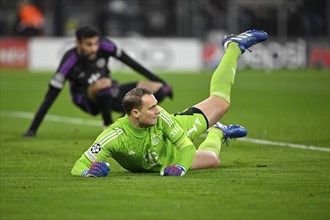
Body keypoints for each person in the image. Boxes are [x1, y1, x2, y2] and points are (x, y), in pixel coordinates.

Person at [71, 29, 269, 177]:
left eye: (156, 105)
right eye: (152, 108)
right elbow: (78, 166)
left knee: (221, 103)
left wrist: (181, 168)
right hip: (164, 160)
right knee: (213, 160)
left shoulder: (163, 118)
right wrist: (88, 173)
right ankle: (218, 132)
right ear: (135, 114)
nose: (158, 110)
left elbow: (186, 146)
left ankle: (233, 47)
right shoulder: (114, 136)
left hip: (178, 131)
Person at [23, 25, 173, 137]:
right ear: (78, 44)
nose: (94, 48)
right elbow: (51, 95)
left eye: (95, 43)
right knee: (104, 84)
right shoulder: (69, 61)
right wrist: (32, 129)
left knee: (156, 89)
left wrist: (163, 82)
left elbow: (133, 64)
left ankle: (121, 125)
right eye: (89, 45)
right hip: (86, 99)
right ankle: (107, 124)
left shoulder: (106, 46)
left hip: (110, 91)